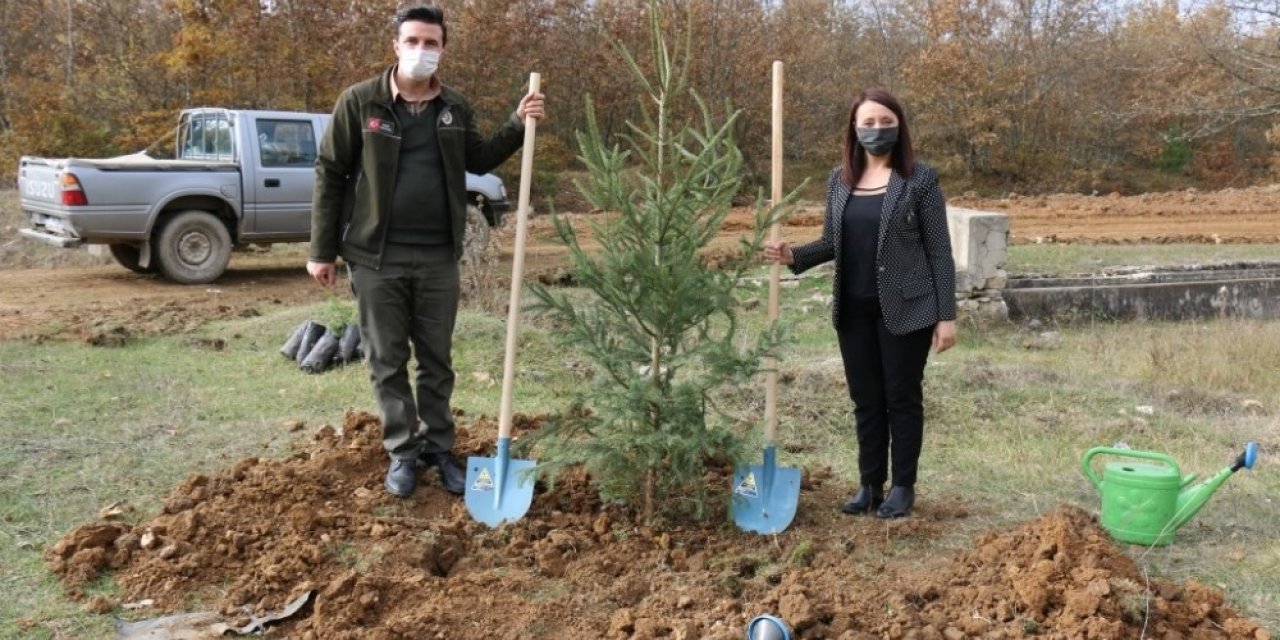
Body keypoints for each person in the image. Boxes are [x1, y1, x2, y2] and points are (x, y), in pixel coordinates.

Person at [308, 5, 545, 498]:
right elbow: (330, 174)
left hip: (439, 255)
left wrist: (518, 123)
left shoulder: (453, 108)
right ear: (396, 46)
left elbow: (476, 159)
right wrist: (321, 250)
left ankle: (439, 447)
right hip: (376, 257)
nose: (421, 51)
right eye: (412, 41)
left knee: (436, 360)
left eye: (431, 43)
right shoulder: (361, 103)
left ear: (442, 49)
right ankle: (402, 452)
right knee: (386, 359)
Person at [763, 87, 956, 518]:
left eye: (885, 122)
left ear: (899, 126)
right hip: (853, 310)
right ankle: (870, 484)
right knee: (866, 400)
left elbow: (939, 251)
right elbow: (834, 242)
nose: (876, 130)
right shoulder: (840, 180)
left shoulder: (919, 179)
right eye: (867, 123)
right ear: (854, 128)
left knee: (901, 398)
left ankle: (902, 486)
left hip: (907, 309)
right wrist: (794, 255)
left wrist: (946, 316)